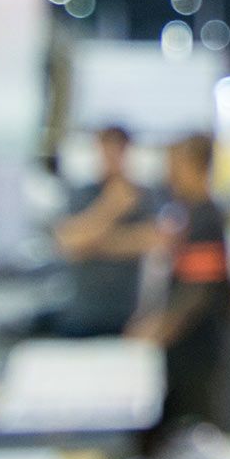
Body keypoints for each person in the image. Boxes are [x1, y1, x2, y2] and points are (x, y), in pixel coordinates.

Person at [129, 134, 230, 430]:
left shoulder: (205, 218)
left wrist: (159, 329)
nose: (171, 175)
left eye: (176, 166)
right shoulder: (189, 215)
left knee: (193, 415)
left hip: (196, 340)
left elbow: (198, 290)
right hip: (187, 339)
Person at [53, 125, 158, 336]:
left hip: (128, 314)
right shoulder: (82, 194)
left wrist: (93, 242)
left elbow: (153, 240)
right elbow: (68, 243)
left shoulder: (144, 195)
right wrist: (112, 206)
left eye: (118, 151)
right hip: (84, 311)